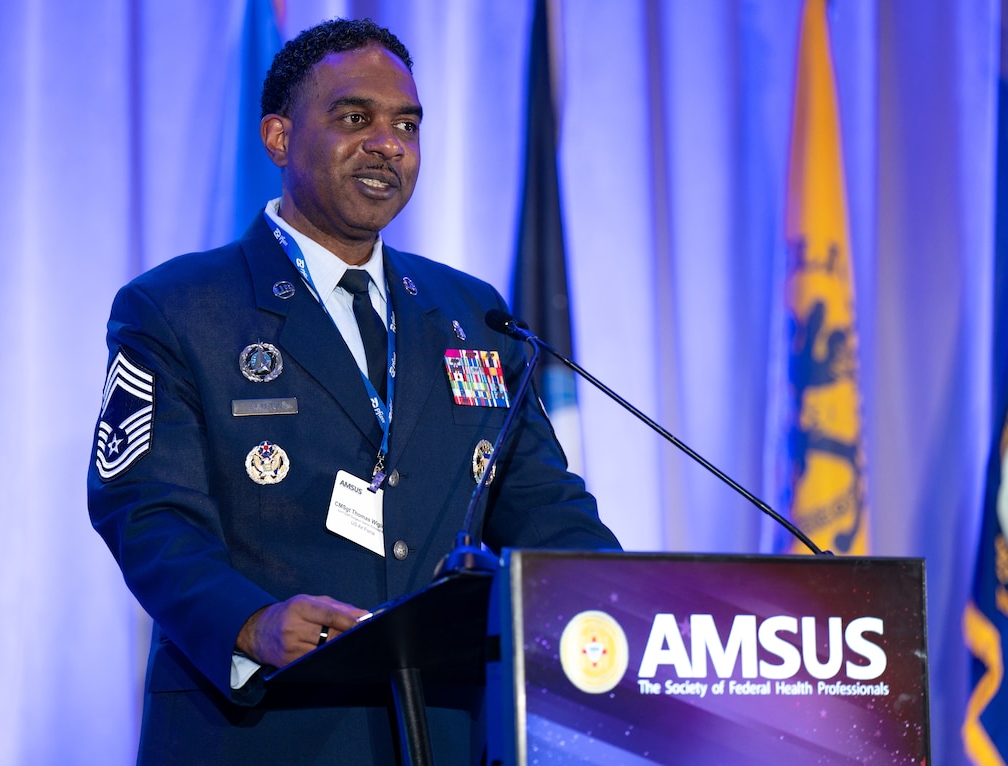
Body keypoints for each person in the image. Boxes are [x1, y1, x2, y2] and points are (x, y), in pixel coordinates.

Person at [87, 17, 618, 765]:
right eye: (354, 118)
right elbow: (142, 510)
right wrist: (251, 623)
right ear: (278, 137)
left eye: (407, 123)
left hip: (443, 731)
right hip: (263, 728)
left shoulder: (473, 314)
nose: (388, 142)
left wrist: (625, 602)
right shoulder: (178, 307)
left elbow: (543, 506)